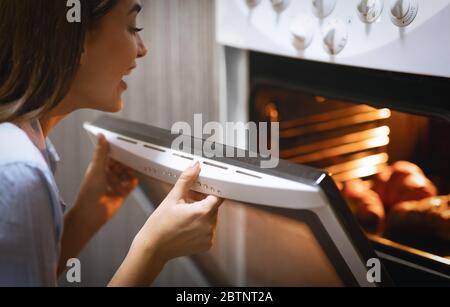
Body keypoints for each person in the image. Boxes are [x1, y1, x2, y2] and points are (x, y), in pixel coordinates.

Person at [0, 0, 223, 287]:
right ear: (76, 39)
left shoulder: (22, 144)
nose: (142, 49)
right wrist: (153, 250)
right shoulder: (18, 173)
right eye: (132, 27)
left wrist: (84, 218)